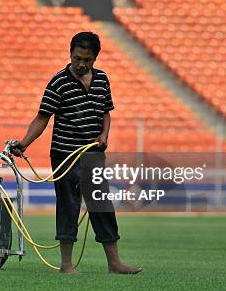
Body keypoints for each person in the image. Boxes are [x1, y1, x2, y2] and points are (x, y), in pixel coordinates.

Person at [11, 32, 142, 275]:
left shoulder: (102, 80)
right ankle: (66, 265)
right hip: (65, 155)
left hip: (93, 154)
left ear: (95, 58)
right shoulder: (58, 82)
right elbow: (42, 117)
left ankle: (114, 263)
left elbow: (106, 112)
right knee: (69, 206)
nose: (82, 64)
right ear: (70, 54)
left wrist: (104, 136)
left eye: (87, 59)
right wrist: (25, 143)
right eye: (77, 58)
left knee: (101, 206)